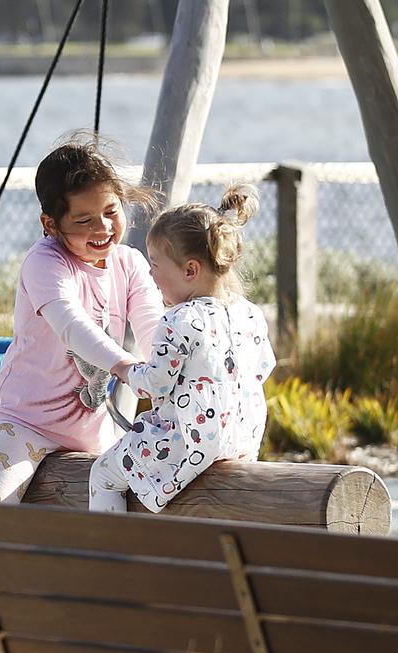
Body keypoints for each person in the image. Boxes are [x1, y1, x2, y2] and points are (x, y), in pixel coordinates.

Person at [0, 137, 163, 506]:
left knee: (137, 502)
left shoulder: (130, 263)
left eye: (111, 211)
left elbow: (153, 326)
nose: (103, 227)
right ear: (51, 224)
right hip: (21, 421)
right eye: (84, 220)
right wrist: (125, 366)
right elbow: (71, 325)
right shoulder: (44, 262)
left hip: (92, 432)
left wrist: (163, 371)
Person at [91, 185, 276, 513]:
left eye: (156, 265)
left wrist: (123, 368)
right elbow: (261, 370)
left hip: (189, 443)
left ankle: (110, 554)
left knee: (103, 473)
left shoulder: (180, 319)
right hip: (241, 441)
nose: (151, 274)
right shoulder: (250, 313)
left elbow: (155, 384)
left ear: (190, 270)